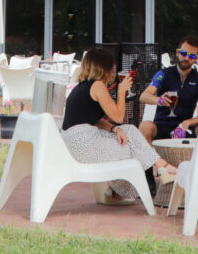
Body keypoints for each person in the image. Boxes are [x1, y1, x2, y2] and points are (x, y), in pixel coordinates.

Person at [61, 47, 176, 204]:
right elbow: (119, 116)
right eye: (112, 67)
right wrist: (122, 91)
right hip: (84, 145)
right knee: (131, 146)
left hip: (76, 143)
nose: (113, 72)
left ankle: (160, 169)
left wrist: (115, 129)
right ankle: (158, 170)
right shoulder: (97, 86)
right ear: (105, 68)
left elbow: (95, 120)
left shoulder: (82, 87)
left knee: (129, 132)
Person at [138, 34, 198, 142]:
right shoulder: (163, 74)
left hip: (185, 127)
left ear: (196, 58)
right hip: (161, 125)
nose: (186, 58)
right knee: (145, 126)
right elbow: (143, 96)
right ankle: (152, 159)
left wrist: (188, 122)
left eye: (191, 56)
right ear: (178, 53)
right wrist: (159, 100)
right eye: (183, 53)